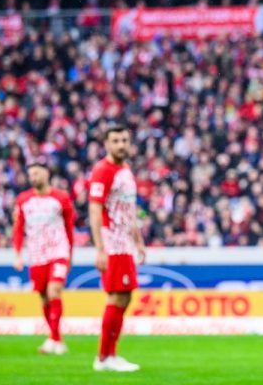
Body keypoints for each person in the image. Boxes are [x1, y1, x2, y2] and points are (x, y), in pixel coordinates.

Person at [89, 124, 146, 372]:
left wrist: (137, 238)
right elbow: (94, 208)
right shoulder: (103, 170)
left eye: (124, 140)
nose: (121, 144)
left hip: (125, 241)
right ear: (106, 144)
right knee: (116, 296)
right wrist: (100, 248)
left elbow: (128, 209)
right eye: (116, 141)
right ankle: (104, 357)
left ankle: (110, 354)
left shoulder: (125, 169)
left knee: (125, 295)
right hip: (112, 242)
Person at [12, 159, 74, 355]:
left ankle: (54, 339)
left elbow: (69, 227)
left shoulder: (61, 198)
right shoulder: (23, 200)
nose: (33, 178)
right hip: (36, 254)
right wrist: (18, 254)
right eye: (31, 175)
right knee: (44, 297)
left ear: (46, 174)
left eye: (37, 173)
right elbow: (18, 228)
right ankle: (56, 338)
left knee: (54, 290)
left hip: (58, 251)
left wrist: (70, 254)